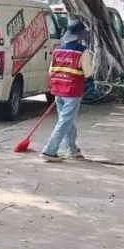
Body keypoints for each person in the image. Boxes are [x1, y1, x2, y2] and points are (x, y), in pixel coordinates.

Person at [41, 18, 94, 162]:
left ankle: (72, 149)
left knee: (66, 120)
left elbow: (51, 71)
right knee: (65, 121)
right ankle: (49, 151)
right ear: (80, 35)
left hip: (58, 90)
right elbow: (88, 73)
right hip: (73, 91)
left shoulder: (57, 50)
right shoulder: (82, 51)